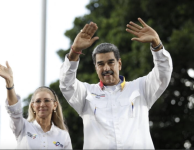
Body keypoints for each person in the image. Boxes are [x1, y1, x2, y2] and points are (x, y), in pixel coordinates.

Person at [59, 18, 172, 149]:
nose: (106, 68)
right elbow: (66, 83)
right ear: (96, 68)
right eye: (100, 64)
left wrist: (157, 45)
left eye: (110, 62)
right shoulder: (86, 93)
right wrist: (74, 52)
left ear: (119, 64)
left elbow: (163, 74)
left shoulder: (141, 88)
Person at [0, 61, 72, 149]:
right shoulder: (23, 126)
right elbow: (14, 112)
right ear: (32, 106)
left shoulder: (63, 136)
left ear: (55, 105)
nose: (42, 104)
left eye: (47, 100)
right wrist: (9, 82)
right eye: (38, 101)